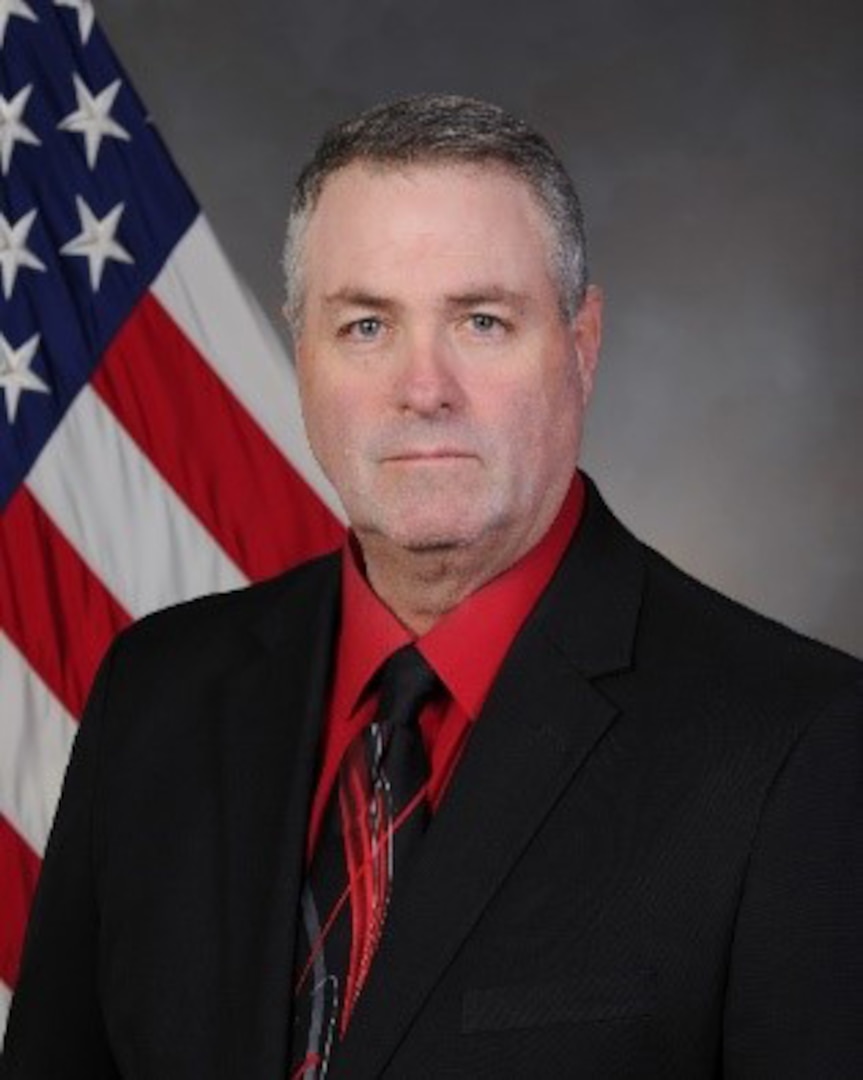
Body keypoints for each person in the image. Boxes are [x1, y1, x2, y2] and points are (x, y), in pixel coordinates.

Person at [2, 94, 862, 1079]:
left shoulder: (795, 746)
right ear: (303, 355)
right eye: (366, 325)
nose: (423, 389)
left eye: (481, 321)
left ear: (581, 346)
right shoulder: (155, 690)